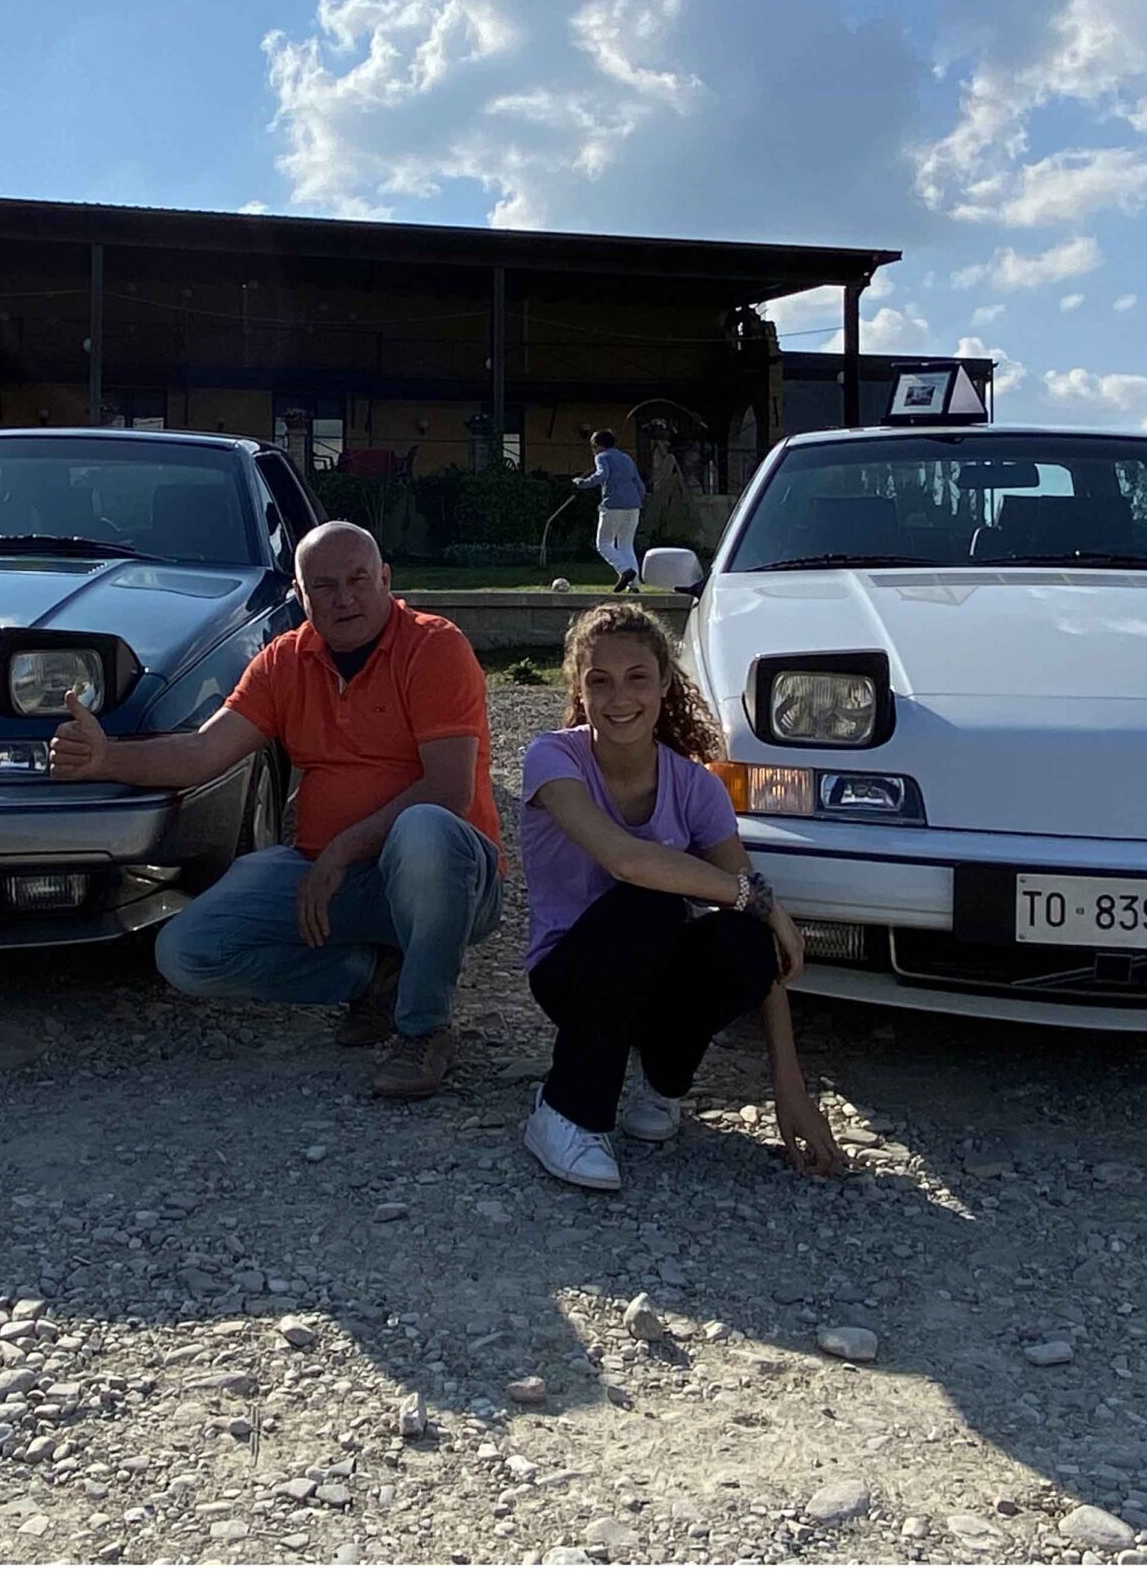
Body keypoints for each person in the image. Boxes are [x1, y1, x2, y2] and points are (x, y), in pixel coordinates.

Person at [50, 521, 499, 1099]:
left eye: (359, 580)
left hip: (447, 881)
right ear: (299, 595)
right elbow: (201, 752)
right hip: (328, 877)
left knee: (426, 829)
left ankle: (425, 1029)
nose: (344, 599)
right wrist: (104, 757)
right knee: (187, 953)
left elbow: (448, 790)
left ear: (386, 579)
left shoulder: (435, 646)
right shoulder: (284, 659)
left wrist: (342, 850)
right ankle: (373, 978)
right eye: (325, 586)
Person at [517, 602, 844, 1190]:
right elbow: (625, 860)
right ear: (578, 689)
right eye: (600, 681)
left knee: (745, 939)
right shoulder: (552, 759)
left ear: (665, 682)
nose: (620, 697)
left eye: (637, 677)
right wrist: (763, 901)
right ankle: (567, 1111)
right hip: (570, 974)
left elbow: (759, 937)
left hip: (653, 986)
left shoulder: (696, 786)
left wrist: (790, 1089)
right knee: (652, 901)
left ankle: (662, 1084)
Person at [573, 429, 646, 592]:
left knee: (604, 543)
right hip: (633, 506)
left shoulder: (602, 457)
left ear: (598, 446)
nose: (593, 451)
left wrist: (582, 483)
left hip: (612, 505)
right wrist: (638, 500)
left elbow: (602, 475)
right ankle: (634, 585)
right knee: (626, 545)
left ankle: (625, 570)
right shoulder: (626, 458)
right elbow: (639, 484)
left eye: (593, 447)